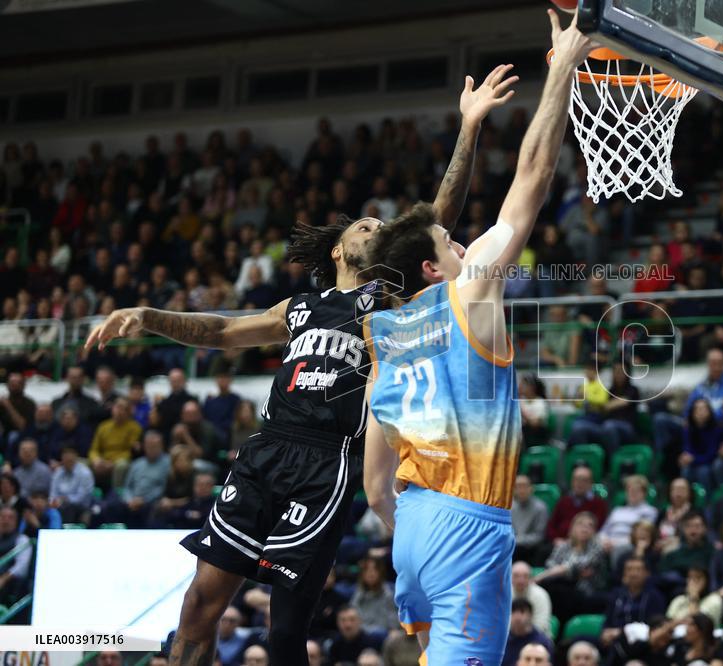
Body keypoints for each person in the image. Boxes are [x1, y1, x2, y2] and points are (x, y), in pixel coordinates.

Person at [89, 82, 510, 666]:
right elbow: (219, 331)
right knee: (196, 608)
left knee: (283, 632)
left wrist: (469, 125)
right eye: (363, 226)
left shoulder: (389, 296)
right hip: (265, 450)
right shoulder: (297, 309)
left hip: (329, 460)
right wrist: (147, 316)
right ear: (337, 250)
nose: (375, 228)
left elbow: (440, 214)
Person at [535, 511, 608, 622]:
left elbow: (577, 566)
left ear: (594, 531)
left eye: (590, 525)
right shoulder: (564, 546)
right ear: (573, 527)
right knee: (551, 588)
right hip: (561, 586)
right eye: (581, 524)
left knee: (562, 593)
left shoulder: (596, 548)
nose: (585, 528)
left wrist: (542, 576)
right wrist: (572, 573)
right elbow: (550, 564)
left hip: (585, 590)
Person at [600, 556, 667, 648]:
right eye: (629, 569)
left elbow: (654, 626)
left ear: (647, 573)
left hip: (639, 641)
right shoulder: (616, 594)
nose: (633, 574)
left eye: (638, 569)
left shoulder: (654, 597)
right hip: (613, 638)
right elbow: (608, 619)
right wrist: (605, 632)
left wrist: (621, 632)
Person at [89, 397, 143, 490]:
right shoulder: (103, 426)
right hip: (102, 460)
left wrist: (112, 463)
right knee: (80, 463)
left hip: (119, 461)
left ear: (128, 412)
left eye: (123, 409)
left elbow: (129, 451)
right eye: (117, 407)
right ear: (112, 409)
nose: (119, 411)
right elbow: (94, 449)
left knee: (121, 466)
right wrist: (96, 460)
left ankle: (116, 495)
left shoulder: (134, 427)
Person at [546, 465, 609, 543]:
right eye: (577, 479)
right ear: (572, 481)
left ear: (591, 483)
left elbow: (600, 528)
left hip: (587, 544)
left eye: (584, 480)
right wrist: (556, 539)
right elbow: (551, 525)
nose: (579, 483)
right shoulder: (563, 501)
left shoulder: (599, 504)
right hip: (561, 543)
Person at [599, 475, 658, 554]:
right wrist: (604, 540)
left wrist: (616, 543)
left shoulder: (650, 511)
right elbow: (603, 531)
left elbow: (642, 536)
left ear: (644, 493)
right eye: (630, 490)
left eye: (636, 491)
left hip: (630, 545)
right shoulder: (617, 510)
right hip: (609, 543)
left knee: (620, 549)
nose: (632, 493)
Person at [349, 556, 399, 638]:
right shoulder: (358, 595)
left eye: (374, 569)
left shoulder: (390, 592)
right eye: (367, 570)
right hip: (363, 635)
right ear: (362, 574)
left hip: (387, 634)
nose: (371, 573)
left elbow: (395, 617)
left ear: (380, 572)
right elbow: (353, 617)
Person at [49, 444, 94, 524]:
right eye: (65, 455)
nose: (67, 458)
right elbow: (53, 494)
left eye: (70, 455)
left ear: (76, 457)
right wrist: (53, 501)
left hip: (80, 507)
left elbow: (82, 498)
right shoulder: (58, 472)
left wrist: (66, 499)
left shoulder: (85, 473)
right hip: (59, 505)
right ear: (61, 458)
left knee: (69, 508)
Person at [511, 475, 549, 565]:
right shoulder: (508, 507)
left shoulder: (540, 507)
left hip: (532, 548)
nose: (521, 490)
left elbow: (540, 535)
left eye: (524, 486)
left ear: (531, 488)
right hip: (513, 546)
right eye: (518, 486)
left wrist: (518, 540)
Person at [503, 600, 554, 666]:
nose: (517, 617)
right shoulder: (503, 641)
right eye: (513, 612)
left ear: (531, 615)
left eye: (522, 612)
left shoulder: (544, 642)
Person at [511, 561, 553, 639]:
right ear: (509, 577)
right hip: (510, 638)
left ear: (531, 578)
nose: (520, 580)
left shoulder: (541, 595)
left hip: (536, 639)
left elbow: (541, 625)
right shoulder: (503, 595)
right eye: (516, 576)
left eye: (525, 576)